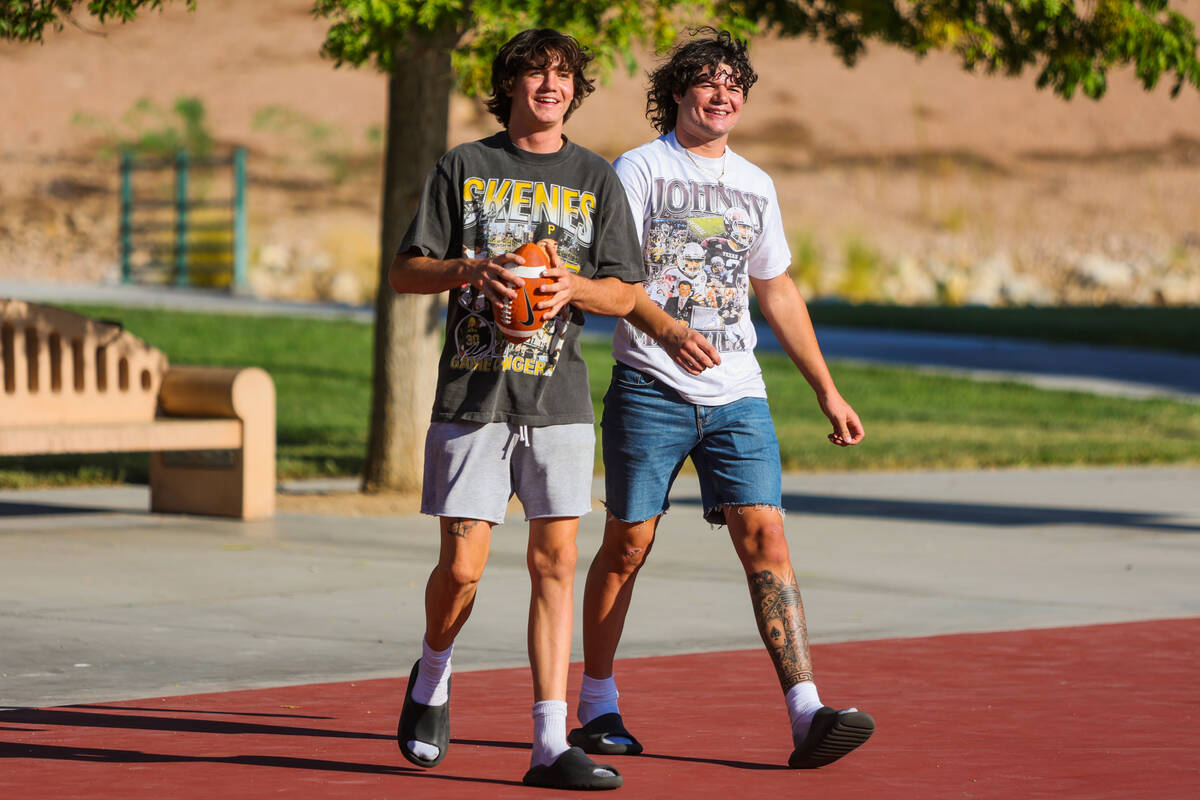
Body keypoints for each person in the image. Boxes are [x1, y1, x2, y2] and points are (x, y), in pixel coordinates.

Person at [569, 29, 874, 769]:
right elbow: (613, 280)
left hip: (739, 392)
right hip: (651, 386)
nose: (723, 93)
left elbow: (775, 288)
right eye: (707, 81)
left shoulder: (756, 184)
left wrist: (826, 390)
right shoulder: (637, 171)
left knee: (765, 536)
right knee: (629, 543)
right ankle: (597, 705)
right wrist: (668, 332)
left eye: (735, 83)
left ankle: (807, 714)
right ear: (676, 93)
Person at [390, 28, 644, 791]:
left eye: (562, 75)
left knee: (555, 562)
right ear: (508, 87)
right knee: (463, 570)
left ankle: (547, 742)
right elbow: (405, 272)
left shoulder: (595, 177)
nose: (548, 85)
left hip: (558, 399)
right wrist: (473, 267)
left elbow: (626, 290)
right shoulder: (464, 167)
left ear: (575, 90)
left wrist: (571, 288)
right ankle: (432, 673)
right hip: (472, 396)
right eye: (534, 73)